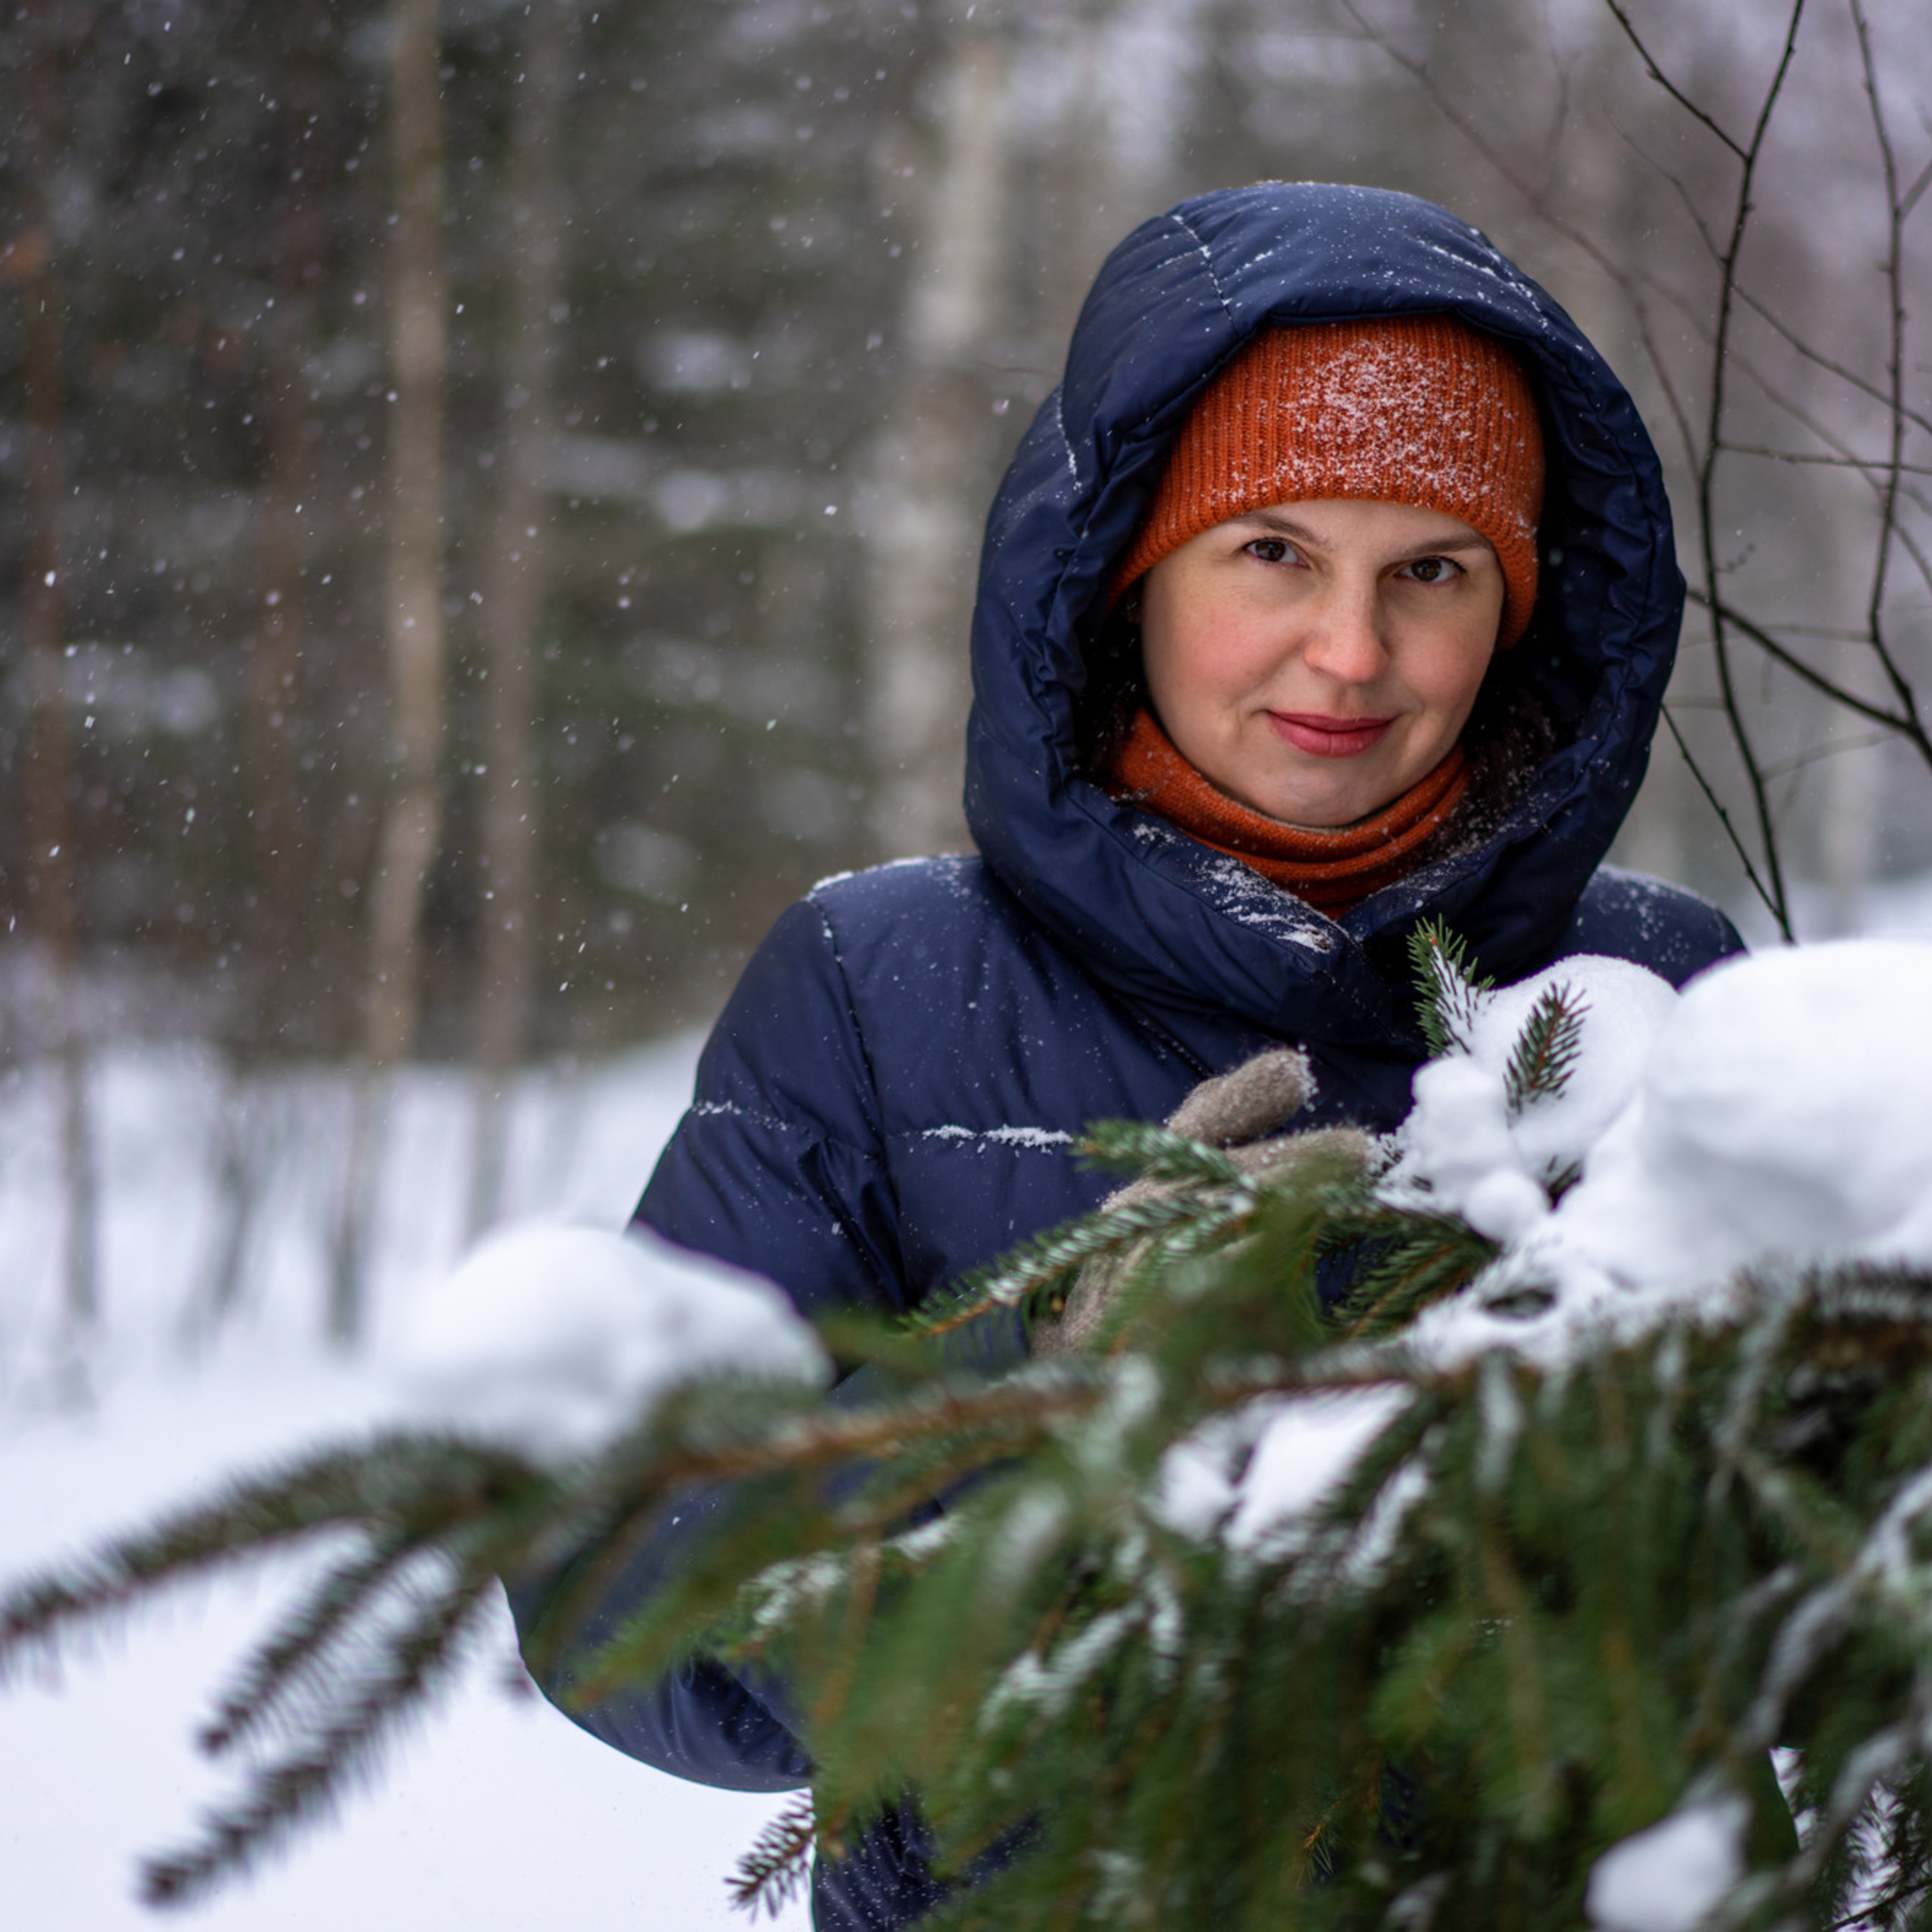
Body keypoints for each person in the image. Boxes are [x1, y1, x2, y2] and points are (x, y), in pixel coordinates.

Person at [511, 180, 1745, 1928]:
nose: (1350, 649)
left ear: (1520, 608)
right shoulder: (882, 980)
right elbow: (615, 1589)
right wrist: (1029, 1401)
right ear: (1127, 577)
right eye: (1272, 553)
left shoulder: (1652, 982)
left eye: (1431, 569)